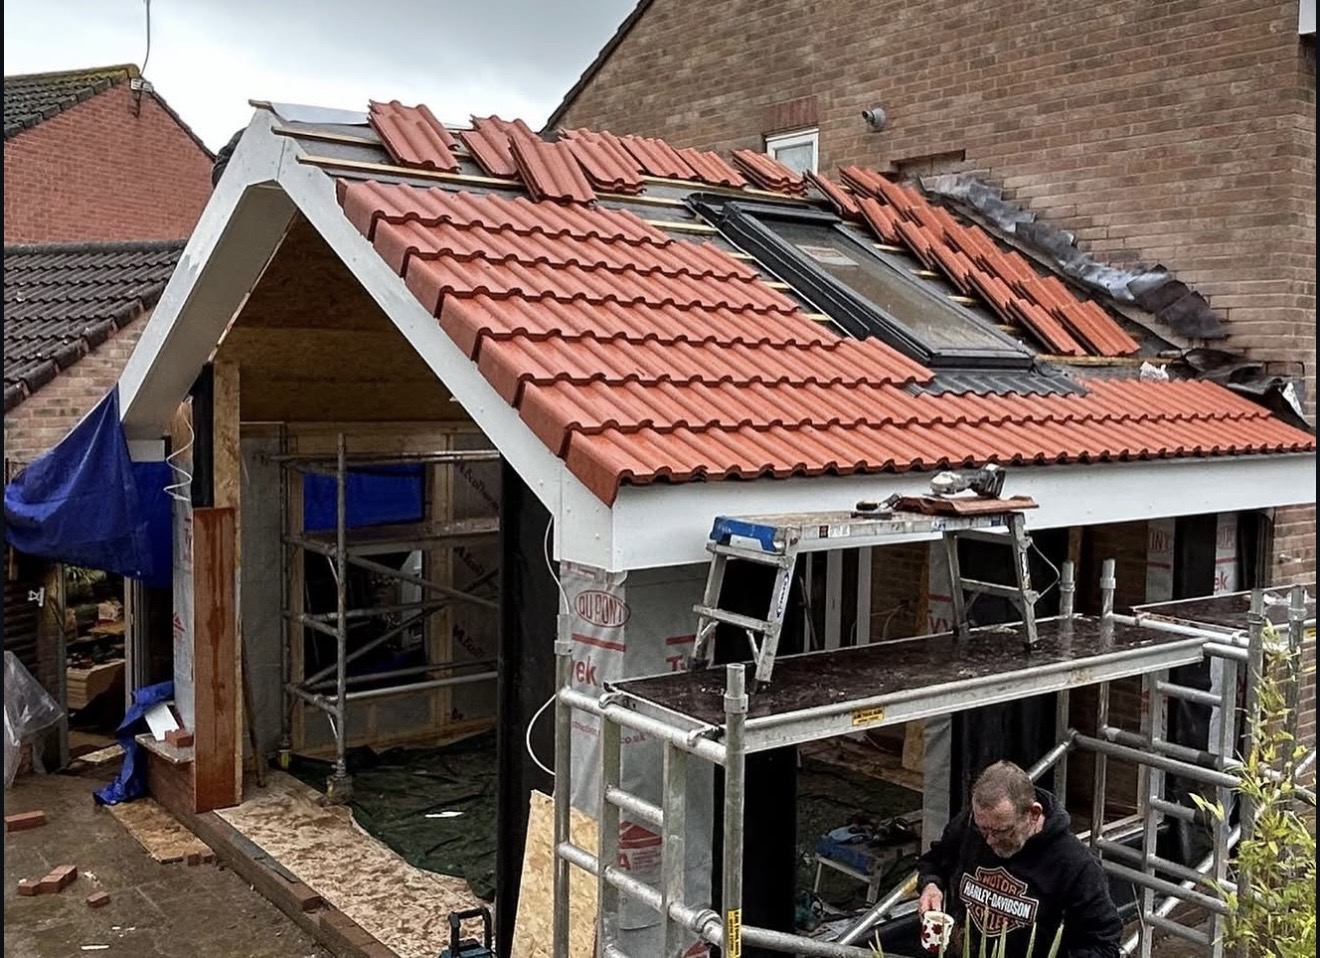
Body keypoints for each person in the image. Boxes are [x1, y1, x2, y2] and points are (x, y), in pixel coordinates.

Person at [916, 761, 1121, 957]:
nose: (989, 840)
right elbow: (936, 860)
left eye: (1001, 831)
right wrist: (931, 885)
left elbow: (1104, 944)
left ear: (1033, 813)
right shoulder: (972, 825)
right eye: (983, 829)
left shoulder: (1075, 865)